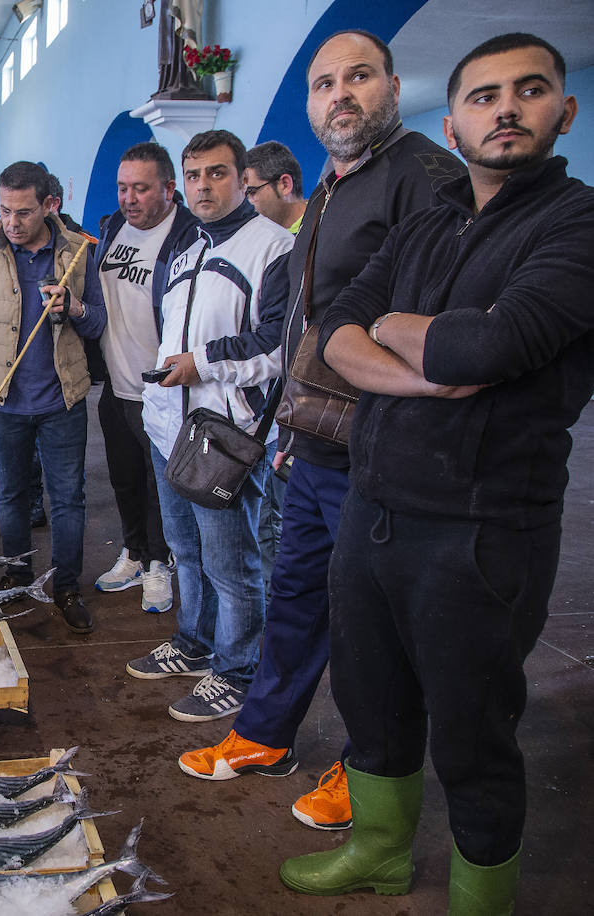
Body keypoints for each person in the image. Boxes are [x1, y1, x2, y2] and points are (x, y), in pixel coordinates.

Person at [280, 34, 591, 912]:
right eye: (485, 96)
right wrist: (433, 364)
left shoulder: (577, 224)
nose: (506, 108)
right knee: (370, 702)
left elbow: (492, 343)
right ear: (452, 124)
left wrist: (411, 337)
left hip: (483, 527)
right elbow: (336, 328)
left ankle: (480, 895)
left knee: (472, 729)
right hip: (374, 510)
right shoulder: (427, 220)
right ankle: (380, 848)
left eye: (529, 91)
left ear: (560, 113)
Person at [178, 29, 466, 832]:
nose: (340, 94)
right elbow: (302, 323)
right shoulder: (337, 188)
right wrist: (285, 426)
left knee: (378, 624)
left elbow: (437, 325)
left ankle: (368, 765)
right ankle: (265, 732)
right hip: (312, 443)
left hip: (386, 450)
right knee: (298, 595)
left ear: (394, 85)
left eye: (359, 77)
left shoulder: (425, 178)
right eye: (324, 82)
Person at [125, 130, 290, 722]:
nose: (203, 185)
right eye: (194, 175)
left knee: (232, 559)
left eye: (217, 173)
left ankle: (239, 667)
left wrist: (204, 361)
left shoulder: (271, 247)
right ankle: (195, 641)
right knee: (184, 550)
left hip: (224, 433)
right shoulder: (187, 248)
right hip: (170, 425)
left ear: (242, 177)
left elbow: (278, 345)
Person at [0, 161, 107, 633]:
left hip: (62, 401)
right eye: (5, 210)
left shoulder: (78, 251)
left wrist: (74, 307)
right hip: (3, 400)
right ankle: (18, 574)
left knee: (68, 499)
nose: (12, 222)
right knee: (10, 494)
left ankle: (67, 586)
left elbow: (97, 324)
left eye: (24, 212)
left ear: (49, 206)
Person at [91, 142, 199, 611]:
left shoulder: (187, 236)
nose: (128, 198)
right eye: (122, 188)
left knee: (162, 487)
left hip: (160, 390)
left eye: (140, 188)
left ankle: (161, 562)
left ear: (169, 189)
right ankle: (134, 552)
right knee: (125, 478)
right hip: (115, 383)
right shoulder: (113, 228)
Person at [241, 140, 307, 591]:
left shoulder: (305, 240)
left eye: (251, 191)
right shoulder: (266, 242)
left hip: (299, 409)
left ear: (284, 184)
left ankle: (268, 627)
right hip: (276, 405)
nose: (245, 203)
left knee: (273, 524)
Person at [244, 141, 308, 233]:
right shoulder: (258, 239)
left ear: (285, 185)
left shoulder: (326, 224)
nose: (244, 205)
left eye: (251, 192)